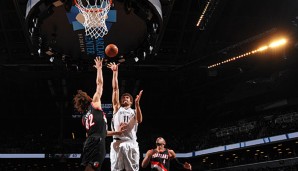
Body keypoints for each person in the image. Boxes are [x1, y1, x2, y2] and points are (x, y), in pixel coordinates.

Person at [73, 57, 126, 171]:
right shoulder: (95, 103)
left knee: (88, 167)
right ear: (88, 99)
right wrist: (99, 69)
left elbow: (100, 132)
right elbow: (99, 84)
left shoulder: (84, 118)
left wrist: (118, 132)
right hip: (97, 142)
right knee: (93, 168)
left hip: (89, 142)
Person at [107, 62, 143, 171]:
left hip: (131, 142)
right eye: (123, 97)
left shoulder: (134, 110)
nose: (125, 98)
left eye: (127, 97)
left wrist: (137, 105)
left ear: (131, 101)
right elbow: (115, 89)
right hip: (117, 142)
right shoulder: (117, 108)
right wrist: (115, 72)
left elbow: (140, 120)